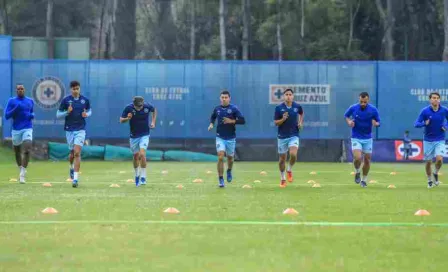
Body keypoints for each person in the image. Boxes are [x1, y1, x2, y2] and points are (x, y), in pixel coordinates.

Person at [56, 81, 91, 188]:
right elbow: (58, 114)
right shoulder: (66, 100)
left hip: (80, 129)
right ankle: (71, 166)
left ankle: (75, 179)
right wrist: (67, 112)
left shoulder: (85, 100)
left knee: (77, 153)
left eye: (77, 89)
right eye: (74, 89)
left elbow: (90, 111)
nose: (76, 91)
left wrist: (87, 114)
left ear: (80, 89)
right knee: (71, 154)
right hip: (69, 129)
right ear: (71, 89)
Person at [208, 90, 245, 188]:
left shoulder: (234, 109)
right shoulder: (217, 109)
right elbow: (213, 117)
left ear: (229, 98)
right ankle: (220, 179)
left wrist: (232, 121)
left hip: (231, 138)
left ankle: (229, 170)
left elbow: (242, 120)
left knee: (230, 159)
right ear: (220, 98)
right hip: (220, 137)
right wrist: (211, 124)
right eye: (222, 97)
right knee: (220, 156)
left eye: (226, 97)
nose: (224, 99)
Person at [344, 92, 380, 188]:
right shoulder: (353, 108)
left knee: (367, 160)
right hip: (356, 137)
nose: (363, 104)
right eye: (361, 102)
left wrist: (376, 123)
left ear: (368, 100)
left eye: (365, 102)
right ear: (359, 99)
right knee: (358, 158)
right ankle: (357, 172)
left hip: (367, 138)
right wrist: (349, 122)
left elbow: (378, 121)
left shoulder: (373, 110)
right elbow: (346, 116)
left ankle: (364, 180)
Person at [120, 96, 157, 187]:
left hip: (145, 135)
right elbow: (121, 120)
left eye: (141, 106)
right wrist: (127, 119)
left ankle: (143, 176)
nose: (139, 108)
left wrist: (153, 122)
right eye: (137, 106)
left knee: (142, 154)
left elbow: (154, 110)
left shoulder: (147, 106)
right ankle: (137, 175)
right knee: (136, 156)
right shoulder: (128, 108)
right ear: (134, 104)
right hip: (134, 137)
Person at [414, 92, 448, 188]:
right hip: (428, 140)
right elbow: (416, 123)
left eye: (437, 98)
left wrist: (445, 126)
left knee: (439, 159)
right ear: (430, 100)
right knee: (428, 162)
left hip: (440, 139)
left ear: (439, 99)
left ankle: (436, 173)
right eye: (433, 98)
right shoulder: (425, 111)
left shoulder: (444, 110)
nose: (436, 99)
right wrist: (424, 123)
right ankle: (429, 180)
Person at [273, 88, 304, 188]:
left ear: (293, 96)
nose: (288, 96)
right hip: (282, 137)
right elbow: (276, 123)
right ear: (283, 96)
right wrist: (283, 119)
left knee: (293, 154)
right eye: (286, 94)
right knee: (282, 159)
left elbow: (301, 113)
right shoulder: (279, 108)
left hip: (294, 135)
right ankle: (282, 179)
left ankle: (289, 169)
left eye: (290, 94)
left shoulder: (297, 106)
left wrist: (300, 122)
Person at [4, 84, 34, 184]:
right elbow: (7, 116)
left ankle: (22, 174)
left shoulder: (30, 101)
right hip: (16, 129)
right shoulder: (12, 101)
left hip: (27, 128)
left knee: (27, 149)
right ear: (16, 91)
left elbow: (31, 112)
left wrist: (31, 115)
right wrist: (15, 109)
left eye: (22, 89)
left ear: (24, 90)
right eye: (18, 89)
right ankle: (20, 168)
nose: (20, 90)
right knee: (17, 151)